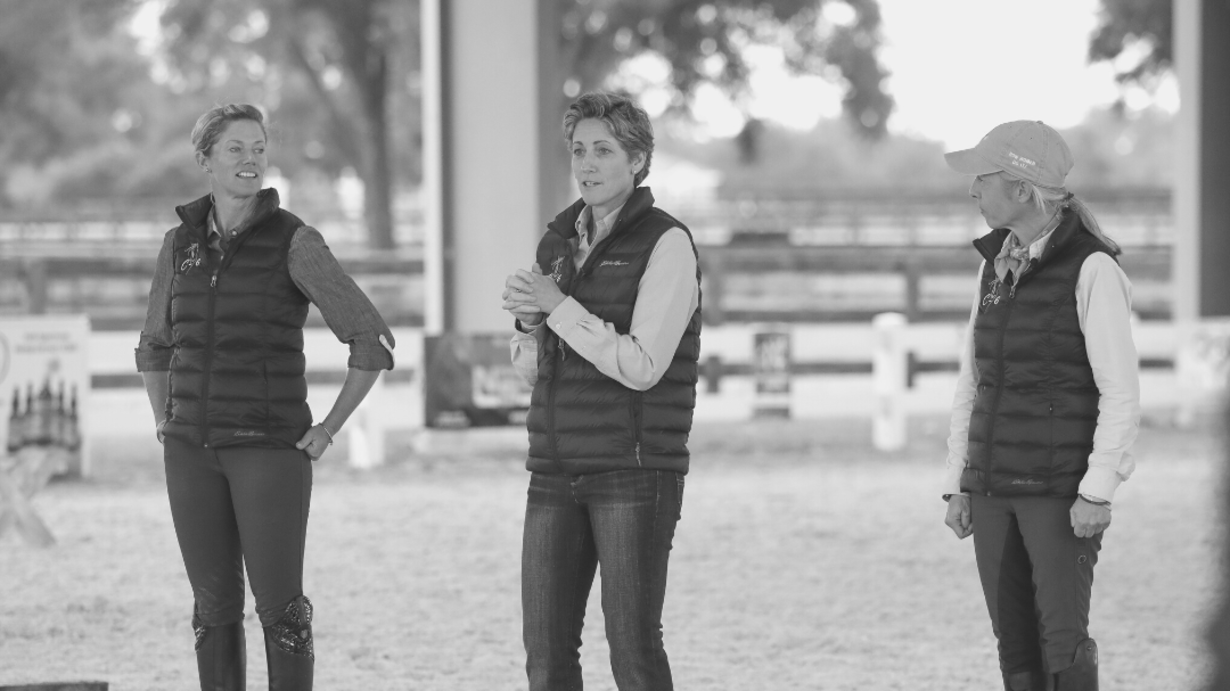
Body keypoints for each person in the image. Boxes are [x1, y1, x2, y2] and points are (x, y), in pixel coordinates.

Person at [135, 103, 395, 690]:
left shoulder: (295, 241)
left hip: (268, 451)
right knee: (212, 608)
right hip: (189, 451)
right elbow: (154, 344)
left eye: (258, 148)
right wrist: (165, 421)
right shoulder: (179, 245)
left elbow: (370, 339)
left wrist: (328, 428)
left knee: (281, 609)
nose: (251, 159)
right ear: (205, 159)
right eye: (236, 148)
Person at [502, 91, 701, 691]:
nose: (586, 164)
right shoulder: (556, 244)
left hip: (633, 470)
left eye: (603, 151)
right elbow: (534, 373)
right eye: (578, 150)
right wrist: (530, 324)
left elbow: (643, 365)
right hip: (554, 469)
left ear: (637, 160)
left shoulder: (668, 243)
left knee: (633, 650)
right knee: (545, 654)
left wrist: (559, 308)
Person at [941, 120, 1141, 691]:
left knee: (1062, 643)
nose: (973, 191)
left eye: (983, 178)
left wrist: (1098, 489)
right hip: (991, 489)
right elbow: (973, 381)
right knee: (1014, 645)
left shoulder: (1094, 270)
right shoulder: (991, 268)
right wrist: (959, 481)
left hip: (1058, 493)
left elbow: (1121, 391)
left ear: (1022, 187)